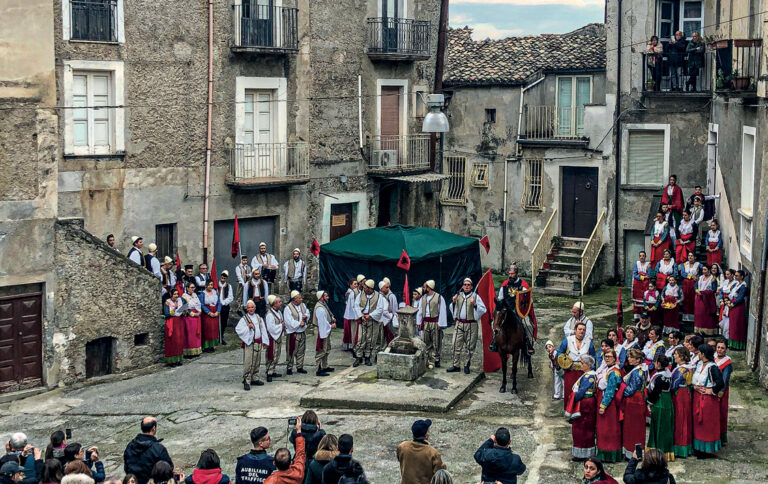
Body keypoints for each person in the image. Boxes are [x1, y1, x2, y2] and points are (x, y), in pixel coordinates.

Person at [493, 265, 537, 354]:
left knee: (528, 324)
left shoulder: (523, 285)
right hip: (506, 311)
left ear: (516, 274)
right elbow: (500, 298)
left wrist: (522, 311)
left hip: (519, 312)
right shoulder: (504, 284)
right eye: (509, 274)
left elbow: (528, 301)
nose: (510, 276)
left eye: (512, 274)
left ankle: (529, 343)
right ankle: (494, 341)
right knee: (494, 323)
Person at [448, 278, 487, 373]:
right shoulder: (458, 296)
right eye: (465, 284)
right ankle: (456, 365)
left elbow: (483, 310)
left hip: (471, 324)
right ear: (462, 286)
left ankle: (466, 365)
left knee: (470, 346)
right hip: (459, 323)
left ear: (471, 286)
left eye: (468, 285)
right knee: (455, 344)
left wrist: (475, 304)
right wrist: (453, 302)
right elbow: (453, 309)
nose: (466, 286)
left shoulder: (475, 296)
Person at [692, 344, 724, 456]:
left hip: (708, 401)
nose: (698, 354)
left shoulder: (712, 367)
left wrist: (711, 391)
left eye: (700, 352)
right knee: (698, 424)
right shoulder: (699, 364)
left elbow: (720, 383)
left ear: (703, 354)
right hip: (697, 397)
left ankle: (706, 450)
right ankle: (698, 448)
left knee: (706, 425)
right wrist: (695, 386)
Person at [555, 322, 596, 410]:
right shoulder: (567, 340)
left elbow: (593, 358)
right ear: (575, 330)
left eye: (584, 330)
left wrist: (592, 370)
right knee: (569, 391)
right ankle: (568, 411)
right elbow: (559, 352)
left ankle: (579, 411)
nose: (582, 331)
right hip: (570, 370)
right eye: (580, 329)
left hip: (583, 372)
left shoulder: (589, 343)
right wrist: (563, 361)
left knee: (581, 392)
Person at [123, 417, 173, 484]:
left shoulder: (130, 446)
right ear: (154, 428)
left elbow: (126, 468)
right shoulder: (159, 449)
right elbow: (168, 469)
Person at [566, 356, 597, 461]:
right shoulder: (589, 375)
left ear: (588, 366)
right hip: (587, 402)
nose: (581, 365)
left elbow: (581, 392)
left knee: (581, 428)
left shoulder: (589, 377)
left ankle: (582, 452)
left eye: (583, 363)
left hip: (585, 404)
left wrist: (574, 399)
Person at [396, 419, 446, 484]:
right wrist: (443, 466)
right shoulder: (433, 453)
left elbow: (399, 458)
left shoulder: (403, 447)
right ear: (426, 436)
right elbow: (439, 474)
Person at [595, 349, 622, 462]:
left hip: (608, 403)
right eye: (605, 356)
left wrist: (603, 405)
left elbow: (610, 390)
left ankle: (610, 453)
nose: (607, 358)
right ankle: (603, 451)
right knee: (602, 429)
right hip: (602, 397)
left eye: (610, 357)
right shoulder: (607, 369)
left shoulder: (614, 372)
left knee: (609, 428)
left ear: (615, 358)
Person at [646, 354, 675, 462]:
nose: (654, 363)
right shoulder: (668, 373)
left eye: (655, 361)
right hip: (668, 401)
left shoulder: (659, 377)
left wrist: (649, 403)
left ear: (658, 363)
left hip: (660, 402)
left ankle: (658, 452)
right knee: (666, 426)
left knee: (658, 426)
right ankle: (666, 451)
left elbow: (655, 392)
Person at [353, 279, 387, 367]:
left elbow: (380, 309)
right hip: (362, 318)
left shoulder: (378, 296)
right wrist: (361, 315)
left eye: (366, 288)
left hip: (372, 319)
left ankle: (367, 356)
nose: (364, 289)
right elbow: (356, 306)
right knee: (361, 338)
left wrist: (370, 315)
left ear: (370, 288)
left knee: (370, 339)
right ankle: (359, 356)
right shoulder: (360, 294)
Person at [236, 300, 267, 390]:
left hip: (258, 343)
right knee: (249, 362)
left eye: (252, 307)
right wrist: (247, 328)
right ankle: (247, 380)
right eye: (249, 307)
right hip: (250, 343)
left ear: (255, 308)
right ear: (246, 309)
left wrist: (265, 341)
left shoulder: (258, 317)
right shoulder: (244, 319)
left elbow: (263, 329)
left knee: (257, 361)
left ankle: (255, 378)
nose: (250, 309)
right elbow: (238, 329)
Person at [265, 416, 305, 484]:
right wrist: (299, 431)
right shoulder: (298, 473)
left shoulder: (271, 480)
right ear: (291, 463)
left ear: (274, 463)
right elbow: (300, 454)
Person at [622, 348, 646, 459]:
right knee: (636, 426)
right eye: (629, 357)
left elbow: (631, 389)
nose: (629, 359)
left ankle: (632, 452)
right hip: (638, 398)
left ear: (638, 360)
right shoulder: (641, 369)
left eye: (632, 357)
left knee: (633, 426)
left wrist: (621, 390)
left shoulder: (637, 372)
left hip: (634, 400)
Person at [670, 347, 693, 458]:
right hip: (687, 393)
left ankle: (680, 446)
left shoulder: (681, 370)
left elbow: (673, 385)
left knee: (680, 419)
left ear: (682, 356)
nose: (674, 356)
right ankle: (686, 445)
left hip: (680, 395)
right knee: (686, 419)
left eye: (676, 354)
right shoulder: (689, 368)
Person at [420, 280, 448, 369]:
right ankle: (427, 358)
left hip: (435, 322)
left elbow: (442, 310)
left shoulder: (439, 297)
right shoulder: (423, 297)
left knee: (436, 341)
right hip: (426, 322)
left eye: (425, 287)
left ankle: (436, 359)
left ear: (429, 287)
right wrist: (419, 322)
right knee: (426, 340)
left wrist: (440, 323)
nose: (424, 288)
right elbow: (420, 310)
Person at [283, 291, 310, 375]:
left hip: (302, 332)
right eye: (299, 298)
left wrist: (306, 316)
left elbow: (307, 312)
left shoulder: (302, 305)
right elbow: (289, 321)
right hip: (293, 333)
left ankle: (300, 366)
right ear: (294, 299)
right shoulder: (288, 308)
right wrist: (299, 323)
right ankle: (289, 367)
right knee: (291, 351)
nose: (301, 299)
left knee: (301, 350)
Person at [311, 290, 337, 377]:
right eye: (326, 296)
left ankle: (325, 365)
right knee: (321, 349)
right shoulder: (320, 308)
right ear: (321, 298)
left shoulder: (324, 305)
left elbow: (328, 315)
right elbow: (322, 322)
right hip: (321, 330)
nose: (327, 297)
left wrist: (332, 318)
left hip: (325, 330)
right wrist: (331, 326)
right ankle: (318, 368)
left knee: (327, 348)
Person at [715, 341, 733, 445]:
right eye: (718, 347)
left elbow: (725, 379)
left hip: (721, 390)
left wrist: (721, 391)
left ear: (726, 349)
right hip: (713, 387)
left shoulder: (727, 363)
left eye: (722, 348)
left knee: (721, 412)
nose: (719, 350)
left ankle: (721, 436)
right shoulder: (714, 358)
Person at [725, 270, 748, 351]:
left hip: (738, 307)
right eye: (735, 275)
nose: (735, 277)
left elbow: (740, 298)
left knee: (737, 325)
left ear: (741, 276)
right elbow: (730, 292)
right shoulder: (736, 284)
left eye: (737, 276)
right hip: (733, 306)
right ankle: (731, 343)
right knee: (732, 325)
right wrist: (727, 300)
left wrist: (732, 304)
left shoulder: (743, 286)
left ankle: (737, 345)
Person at [264, 295, 284, 382]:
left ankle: (273, 370)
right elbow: (271, 328)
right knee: (271, 355)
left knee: (277, 355)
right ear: (274, 304)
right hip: (272, 337)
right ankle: (269, 372)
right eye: (279, 302)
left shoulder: (278, 312)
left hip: (278, 336)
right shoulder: (269, 315)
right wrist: (281, 326)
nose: (281, 303)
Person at [694, 264, 718, 335]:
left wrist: (703, 292)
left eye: (705, 270)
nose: (703, 271)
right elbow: (695, 286)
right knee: (699, 314)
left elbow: (713, 290)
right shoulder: (700, 277)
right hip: (699, 298)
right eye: (703, 270)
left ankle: (708, 331)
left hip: (708, 299)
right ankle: (699, 329)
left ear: (709, 270)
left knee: (706, 314)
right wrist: (696, 290)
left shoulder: (713, 279)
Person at [180, 282, 202, 357]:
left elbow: (199, 304)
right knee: (190, 335)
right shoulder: (184, 296)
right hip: (189, 318)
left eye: (194, 287)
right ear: (187, 288)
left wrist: (199, 312)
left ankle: (196, 350)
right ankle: (189, 352)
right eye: (191, 287)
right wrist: (193, 314)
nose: (193, 289)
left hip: (197, 316)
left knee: (196, 334)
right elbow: (183, 308)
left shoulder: (195, 295)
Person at [200, 280, 222, 352]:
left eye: (211, 285)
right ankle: (207, 346)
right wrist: (208, 312)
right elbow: (202, 304)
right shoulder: (203, 294)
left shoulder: (215, 292)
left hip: (215, 312)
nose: (210, 286)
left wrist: (218, 311)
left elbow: (219, 302)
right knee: (207, 329)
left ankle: (212, 345)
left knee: (214, 329)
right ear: (206, 285)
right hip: (207, 313)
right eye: (209, 285)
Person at [679, 254, 699, 329]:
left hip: (694, 283)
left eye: (692, 256)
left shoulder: (698, 265)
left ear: (695, 257)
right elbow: (683, 273)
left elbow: (702, 271)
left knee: (693, 299)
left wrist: (697, 276)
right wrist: (691, 276)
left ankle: (693, 317)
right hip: (686, 283)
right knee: (686, 299)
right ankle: (686, 317)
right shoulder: (684, 264)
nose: (690, 257)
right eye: (689, 256)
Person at [378, 280, 399, 352]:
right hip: (385, 320)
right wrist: (391, 316)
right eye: (386, 287)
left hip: (387, 320)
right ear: (381, 288)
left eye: (388, 287)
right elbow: (384, 311)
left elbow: (394, 308)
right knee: (383, 337)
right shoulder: (381, 297)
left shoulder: (389, 295)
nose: (388, 289)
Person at [342, 277, 361, 351]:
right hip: (350, 315)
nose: (356, 285)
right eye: (354, 284)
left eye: (357, 284)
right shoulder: (349, 293)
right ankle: (350, 345)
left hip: (353, 315)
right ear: (350, 285)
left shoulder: (356, 292)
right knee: (350, 331)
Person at [632, 251, 652, 320]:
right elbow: (635, 275)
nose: (641, 257)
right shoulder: (637, 264)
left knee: (645, 299)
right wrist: (643, 277)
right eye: (640, 256)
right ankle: (637, 316)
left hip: (645, 285)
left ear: (645, 257)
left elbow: (649, 275)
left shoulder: (648, 264)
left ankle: (645, 315)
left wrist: (642, 275)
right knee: (637, 300)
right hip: (637, 285)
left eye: (643, 256)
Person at [217, 271, 234, 345]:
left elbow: (231, 297)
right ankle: (216, 337)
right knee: (216, 322)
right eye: (222, 277)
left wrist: (223, 302)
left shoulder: (229, 286)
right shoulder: (216, 284)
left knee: (223, 322)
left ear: (226, 278)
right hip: (216, 306)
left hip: (225, 306)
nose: (223, 278)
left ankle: (221, 337)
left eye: (225, 277)